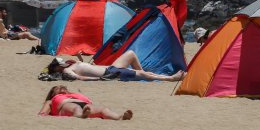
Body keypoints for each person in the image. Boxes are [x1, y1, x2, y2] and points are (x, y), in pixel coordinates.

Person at [46, 50, 184, 81]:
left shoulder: (71, 65)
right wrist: (102, 79)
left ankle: (145, 75)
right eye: (60, 63)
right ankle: (170, 79)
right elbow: (81, 78)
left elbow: (86, 67)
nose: (63, 62)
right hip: (108, 73)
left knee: (130, 54)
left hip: (110, 68)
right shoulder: (67, 72)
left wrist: (79, 58)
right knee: (142, 74)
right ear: (57, 68)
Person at [39, 86, 133, 120]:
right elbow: (42, 114)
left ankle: (120, 117)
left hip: (85, 106)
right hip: (66, 106)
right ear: (53, 94)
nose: (61, 88)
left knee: (103, 109)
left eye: (63, 87)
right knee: (76, 108)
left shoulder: (74, 95)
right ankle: (81, 116)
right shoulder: (51, 101)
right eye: (57, 89)